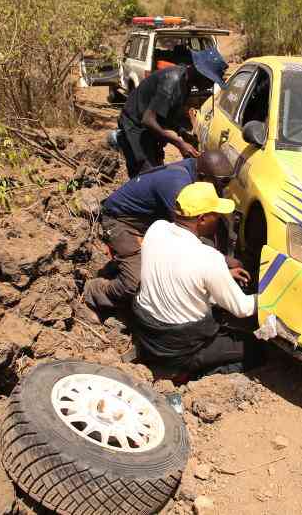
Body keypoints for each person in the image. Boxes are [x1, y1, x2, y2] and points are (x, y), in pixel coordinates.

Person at [82, 151, 234, 318]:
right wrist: (222, 262)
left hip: (148, 221)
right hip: (121, 221)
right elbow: (186, 234)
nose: (223, 187)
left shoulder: (199, 174)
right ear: (203, 176)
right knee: (136, 282)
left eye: (227, 181)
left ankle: (121, 267)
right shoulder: (178, 184)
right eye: (221, 182)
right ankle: (94, 292)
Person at [132, 182, 257, 374]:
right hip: (178, 348)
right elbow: (243, 309)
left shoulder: (157, 228)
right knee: (255, 350)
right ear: (202, 219)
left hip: (147, 332)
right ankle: (189, 374)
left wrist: (222, 275)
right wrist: (270, 298)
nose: (220, 218)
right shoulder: (208, 258)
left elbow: (176, 265)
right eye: (216, 214)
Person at [114, 47, 228, 178]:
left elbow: (165, 115)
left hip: (148, 128)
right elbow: (148, 120)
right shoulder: (172, 81)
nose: (210, 85)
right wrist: (179, 143)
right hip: (134, 125)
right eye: (210, 80)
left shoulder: (186, 84)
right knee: (146, 174)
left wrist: (182, 133)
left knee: (156, 168)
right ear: (200, 72)